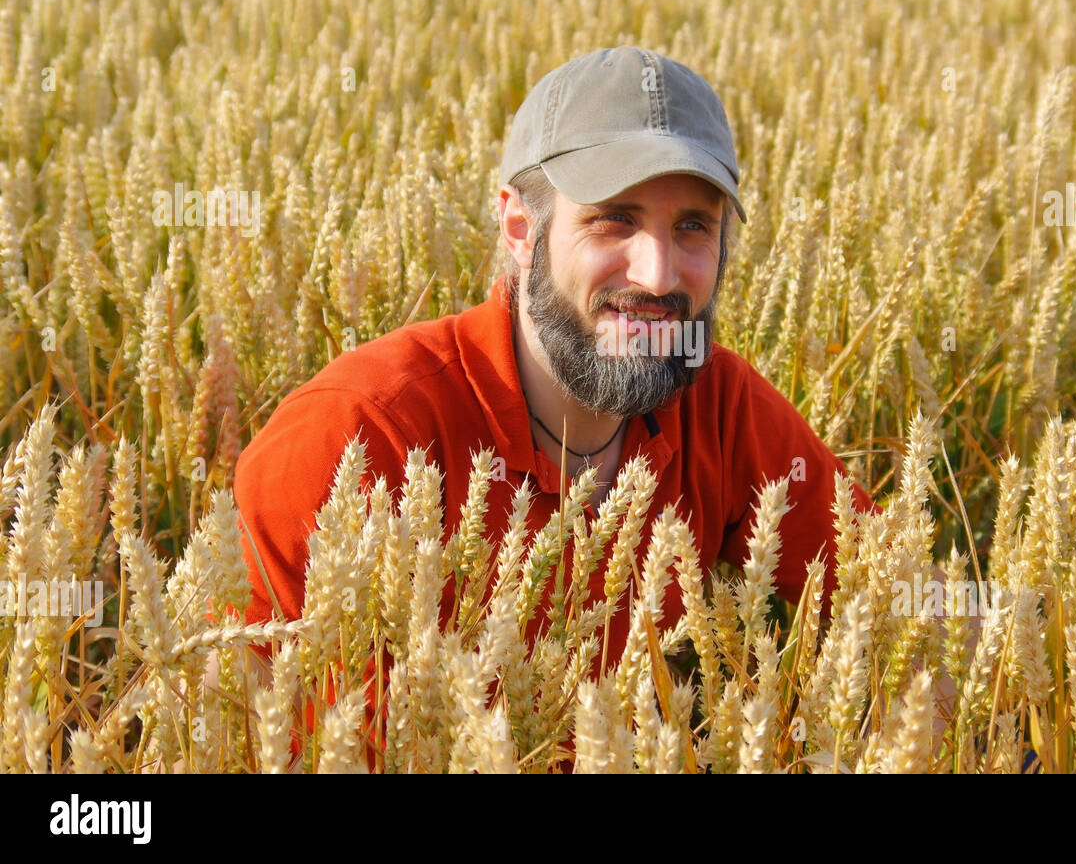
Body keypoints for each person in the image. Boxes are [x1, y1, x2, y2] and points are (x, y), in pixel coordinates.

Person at [234, 44, 877, 669]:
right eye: (614, 220)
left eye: (692, 226)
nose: (657, 276)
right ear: (520, 228)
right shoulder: (361, 437)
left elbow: (902, 599)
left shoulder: (720, 406)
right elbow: (226, 717)